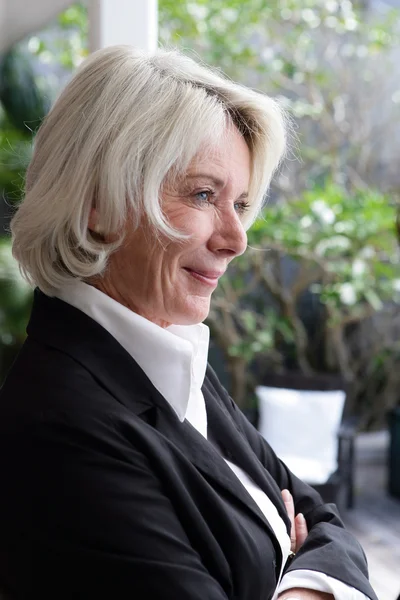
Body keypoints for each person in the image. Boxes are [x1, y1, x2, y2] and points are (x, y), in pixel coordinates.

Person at [0, 45, 376, 600]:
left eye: (241, 204)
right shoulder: (58, 427)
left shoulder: (174, 362)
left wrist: (295, 585)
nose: (237, 239)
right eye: (204, 194)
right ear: (99, 201)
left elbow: (327, 523)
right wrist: (298, 563)